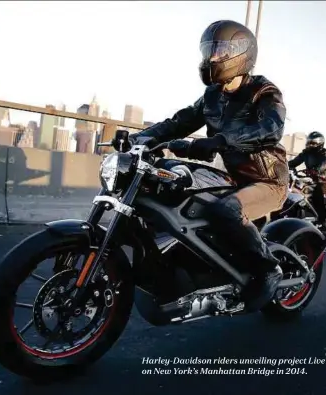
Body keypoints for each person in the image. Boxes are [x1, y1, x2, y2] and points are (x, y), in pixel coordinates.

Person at [122, 20, 290, 312]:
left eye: (219, 52)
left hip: (267, 180)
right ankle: (181, 265)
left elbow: (269, 129)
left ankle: (267, 269)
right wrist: (138, 138)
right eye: (208, 52)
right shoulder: (212, 95)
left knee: (225, 211)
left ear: (241, 55)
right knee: (164, 177)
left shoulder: (264, 92)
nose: (211, 59)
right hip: (231, 177)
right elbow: (178, 123)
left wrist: (221, 141)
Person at [287, 131, 326, 228]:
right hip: (310, 178)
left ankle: (323, 220)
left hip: (321, 180)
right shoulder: (306, 153)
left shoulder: (325, 153)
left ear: (319, 143)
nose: (310, 145)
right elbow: (295, 162)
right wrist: (284, 165)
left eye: (313, 143)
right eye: (308, 142)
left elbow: (324, 164)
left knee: (317, 194)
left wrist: (316, 170)